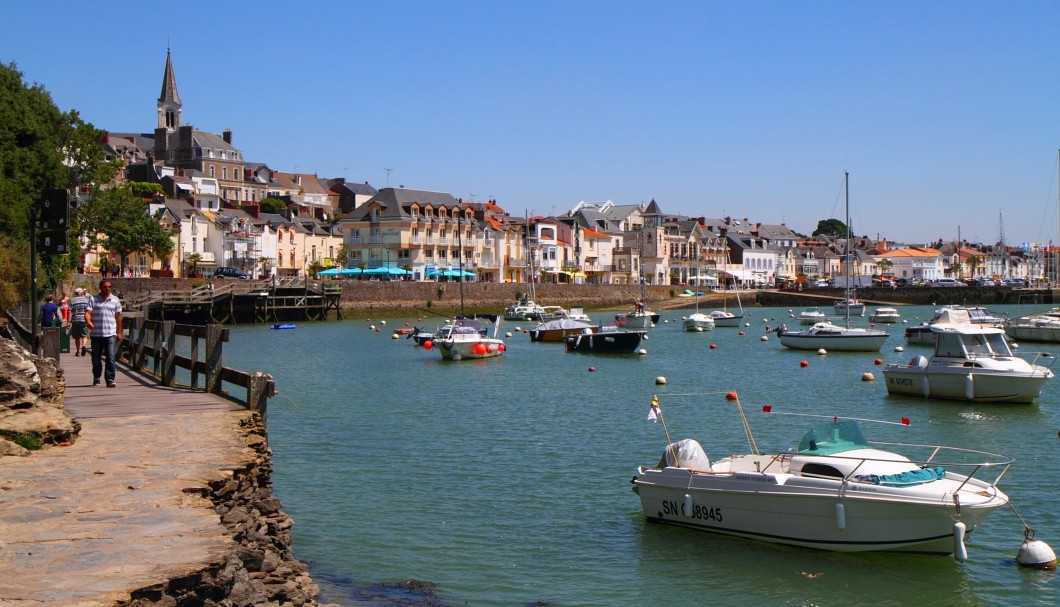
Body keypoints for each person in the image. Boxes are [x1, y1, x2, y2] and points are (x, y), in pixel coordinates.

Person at [84, 280, 122, 388]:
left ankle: (110, 379)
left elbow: (119, 317)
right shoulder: (93, 299)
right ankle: (96, 377)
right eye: (105, 287)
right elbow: (87, 313)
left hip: (110, 333)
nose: (107, 288)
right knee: (96, 358)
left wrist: (119, 332)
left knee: (111, 357)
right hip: (96, 334)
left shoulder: (115, 300)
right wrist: (88, 321)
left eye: (109, 286)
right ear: (100, 287)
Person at [68, 287, 91, 356]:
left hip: (75, 319)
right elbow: (90, 311)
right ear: (82, 293)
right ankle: (83, 345)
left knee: (76, 337)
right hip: (84, 319)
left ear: (75, 293)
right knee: (85, 335)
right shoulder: (87, 300)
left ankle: (77, 351)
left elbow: (70, 312)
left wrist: (68, 322)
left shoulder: (72, 300)